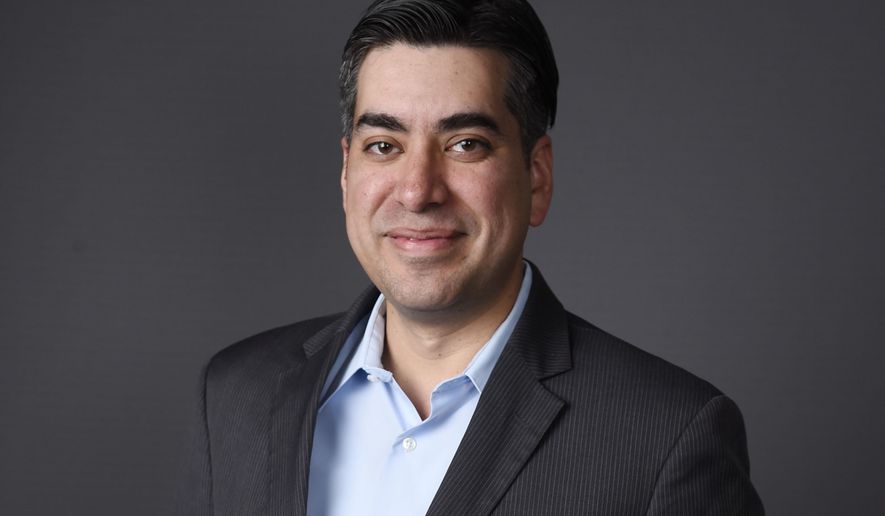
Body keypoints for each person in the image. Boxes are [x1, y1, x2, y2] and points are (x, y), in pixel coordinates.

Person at [178, 0, 764, 514]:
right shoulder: (236, 393)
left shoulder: (668, 438)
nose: (417, 190)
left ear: (536, 178)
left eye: (465, 145)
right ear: (346, 170)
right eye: (384, 145)